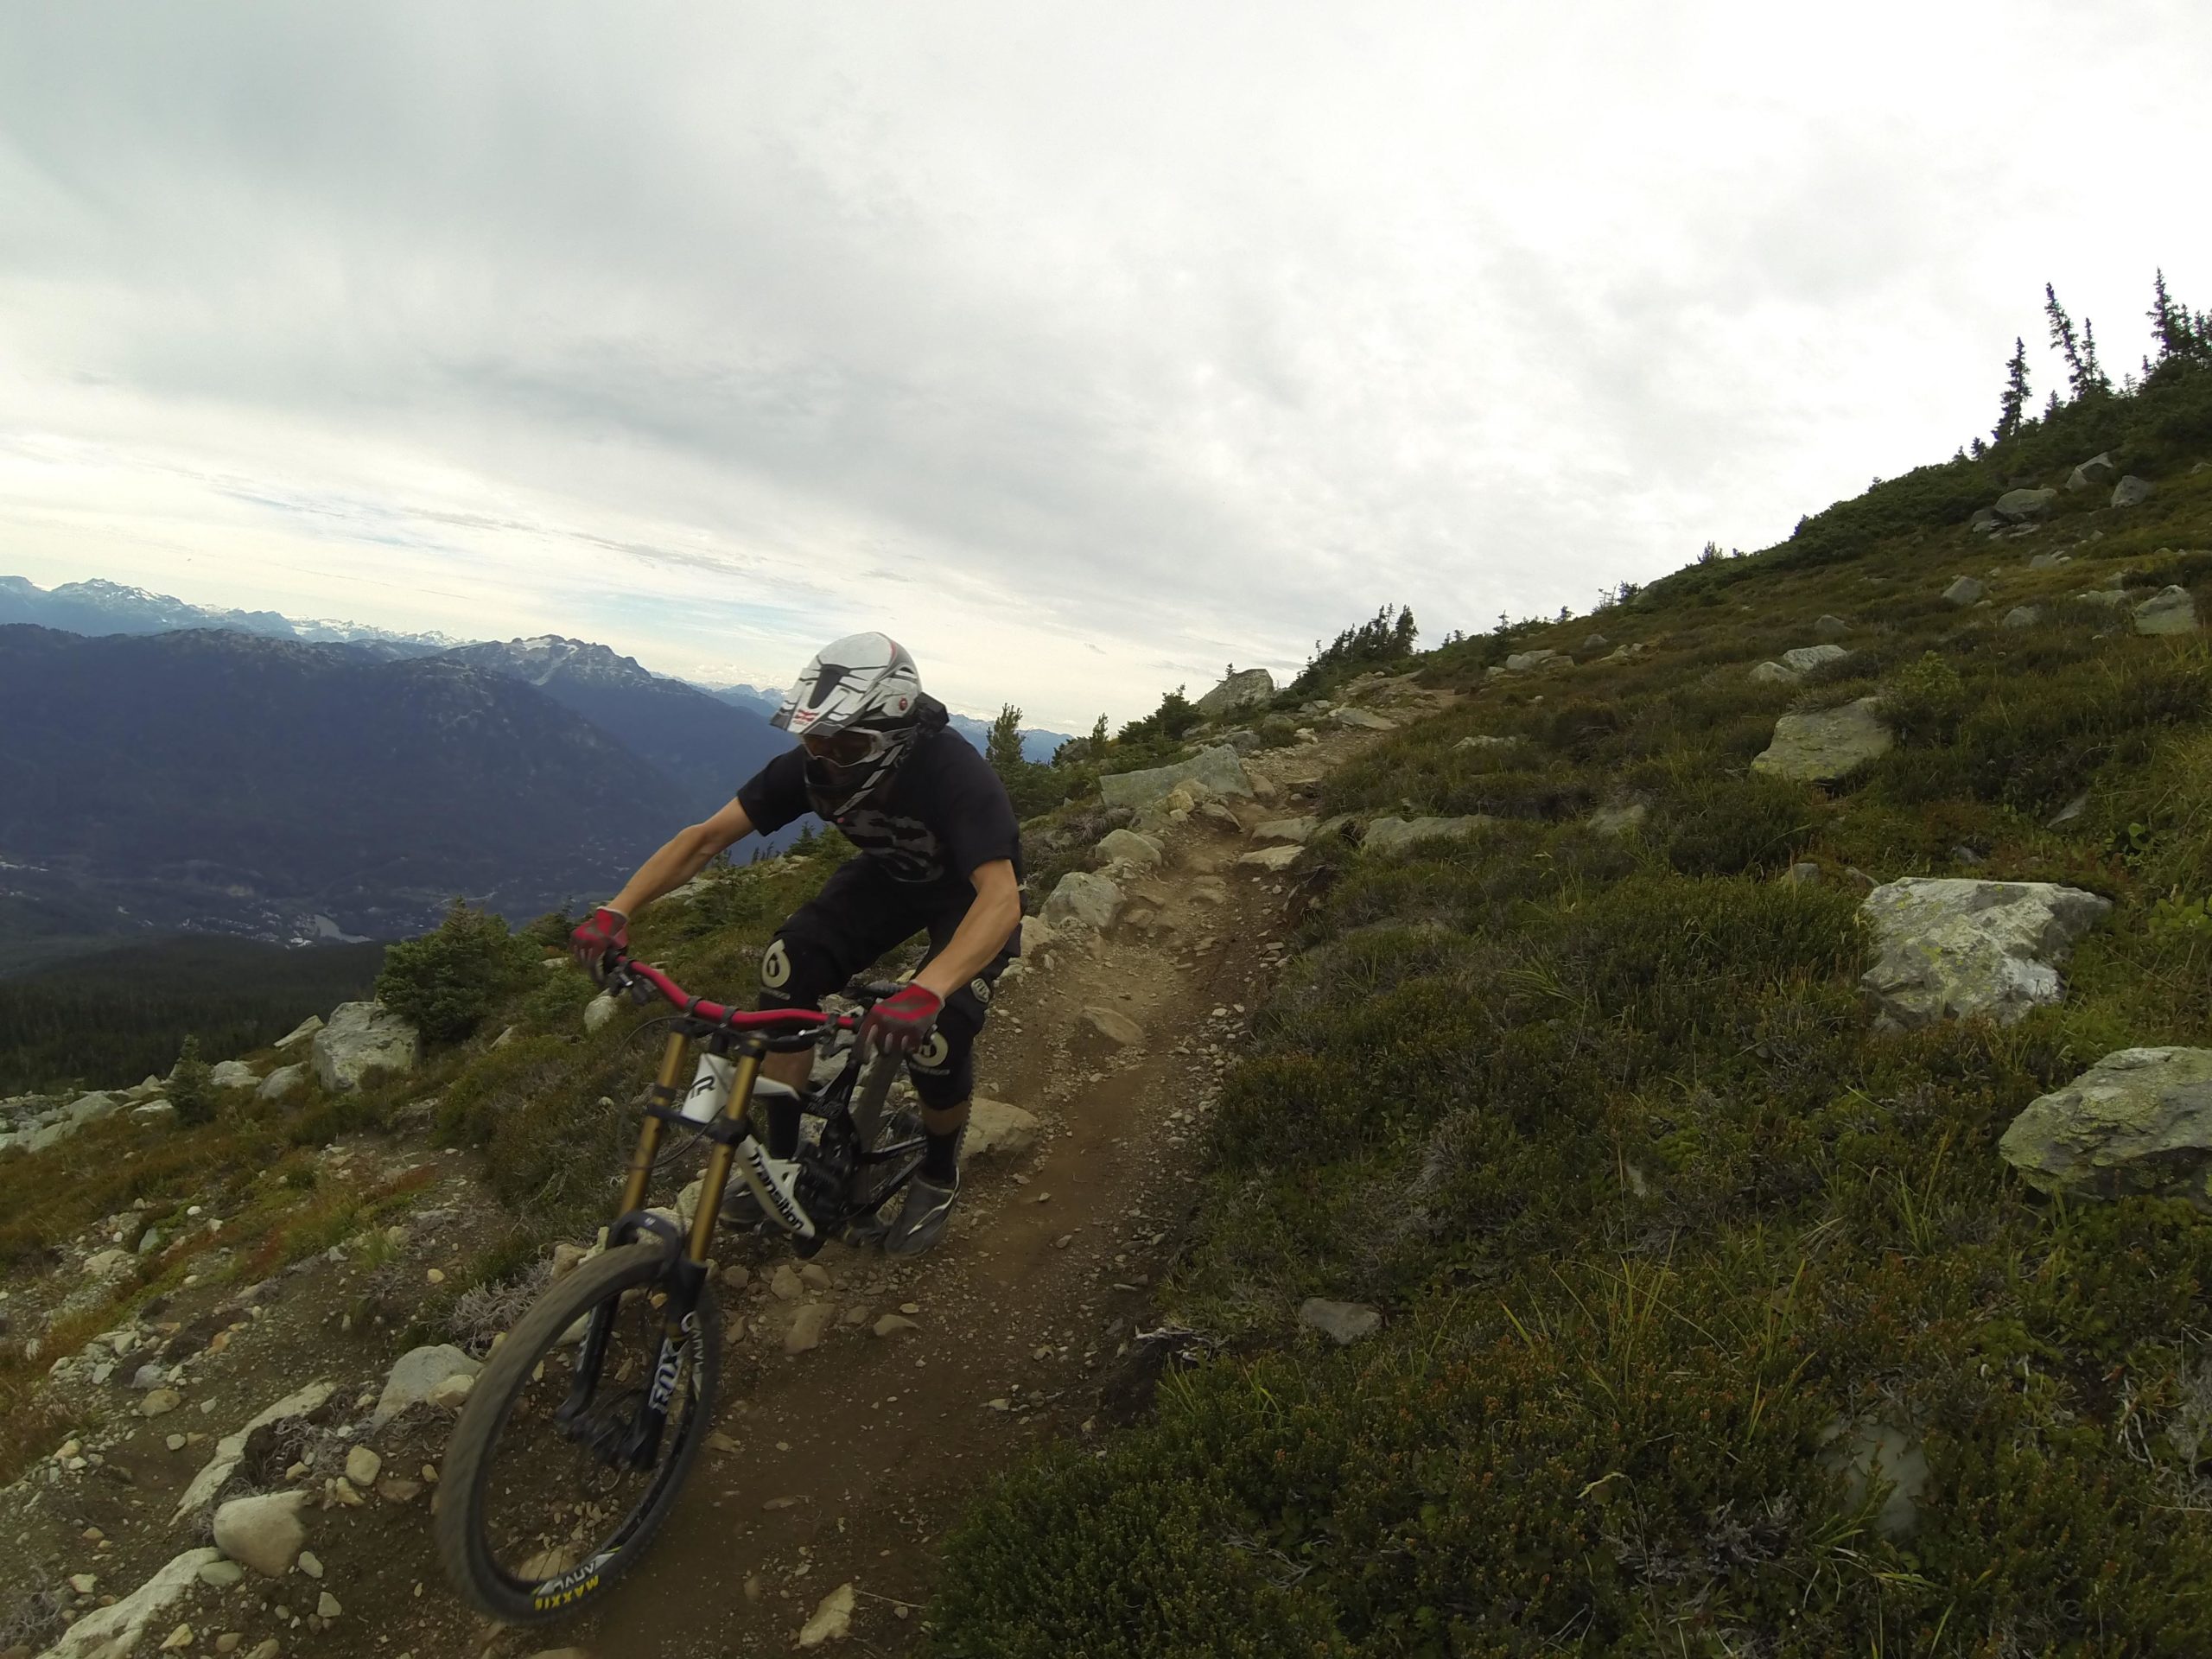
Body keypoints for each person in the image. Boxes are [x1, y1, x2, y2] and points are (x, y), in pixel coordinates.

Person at [569, 632, 1023, 1256]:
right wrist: (617, 909)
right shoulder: (812, 769)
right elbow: (706, 838)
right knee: (786, 973)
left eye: (847, 744)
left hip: (966, 902)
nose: (828, 758)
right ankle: (781, 1166)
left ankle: (939, 1172)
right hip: (889, 878)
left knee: (939, 1040)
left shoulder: (952, 772)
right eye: (814, 740)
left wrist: (926, 990)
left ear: (892, 736)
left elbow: (1000, 896)